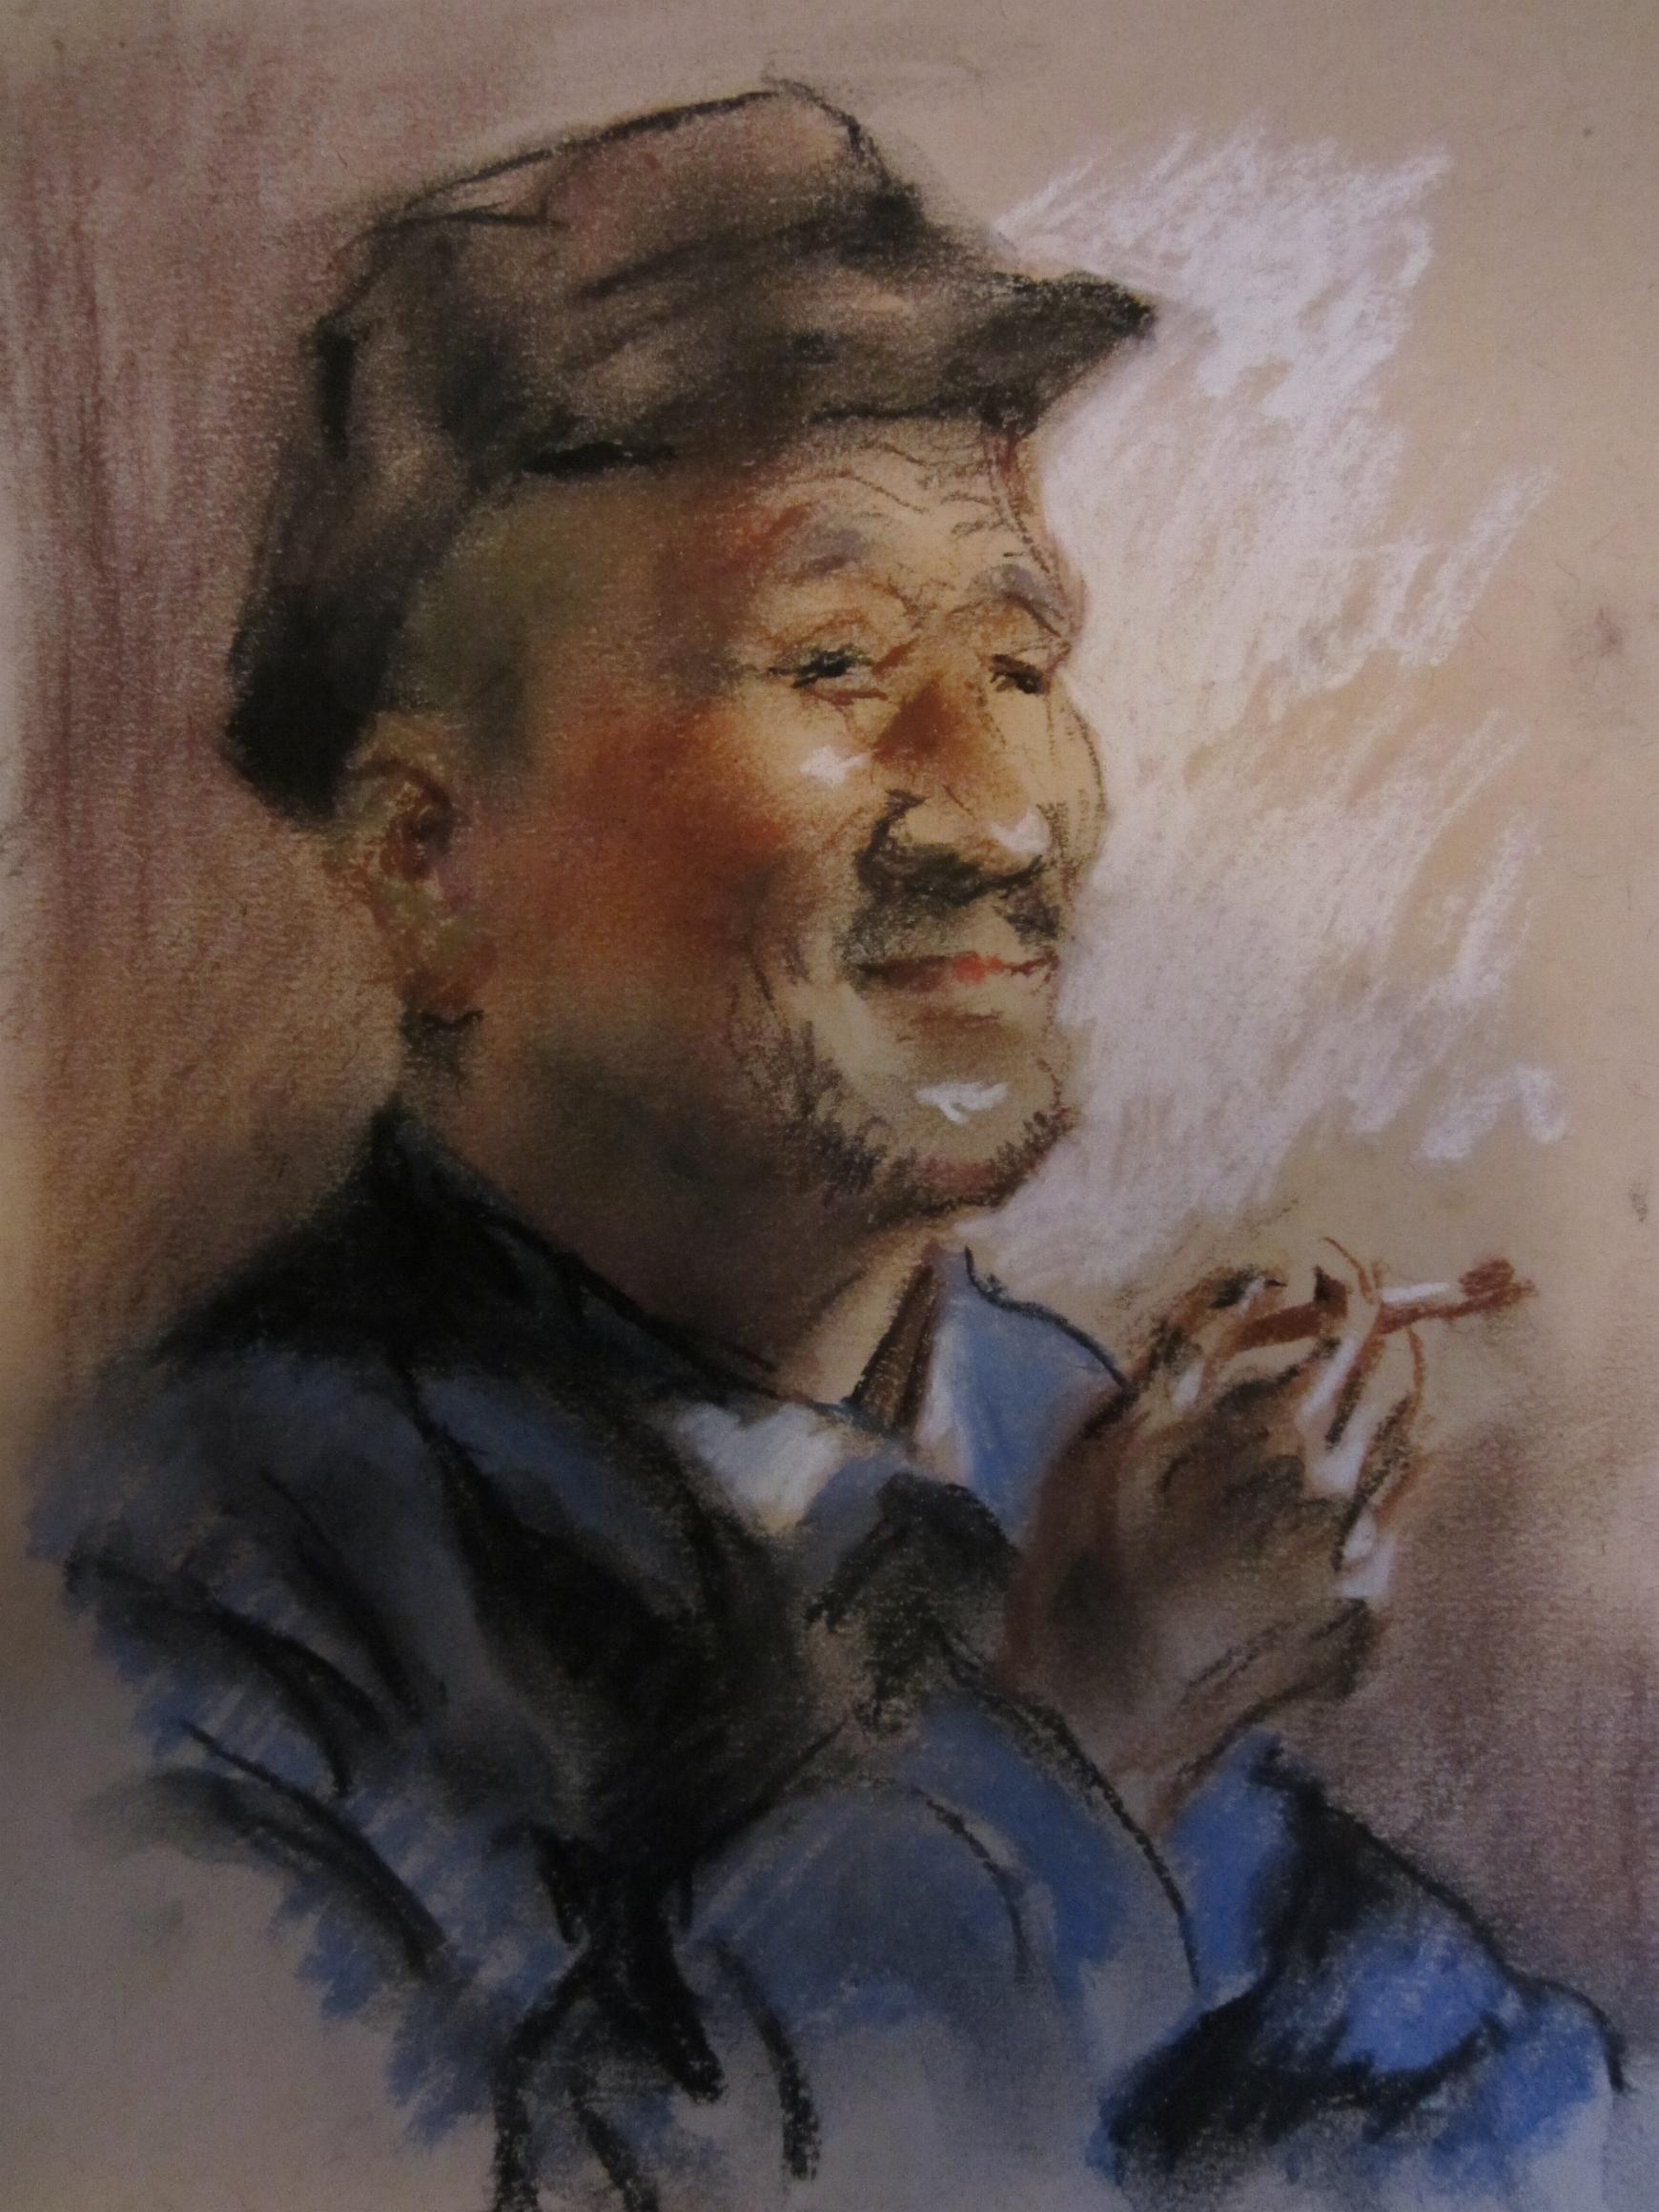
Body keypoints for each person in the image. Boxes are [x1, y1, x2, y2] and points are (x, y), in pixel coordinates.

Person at [35, 85, 1617, 2211]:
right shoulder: (166, 1605)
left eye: (1023, 659)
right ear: (428, 863)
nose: (1008, 811)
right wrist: (1087, 1733)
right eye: (839, 660)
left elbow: (1495, 2117)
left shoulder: (1050, 1441)